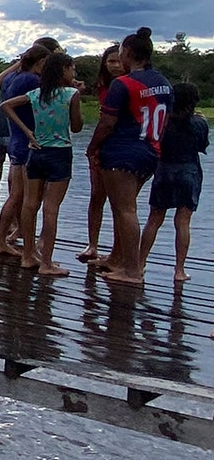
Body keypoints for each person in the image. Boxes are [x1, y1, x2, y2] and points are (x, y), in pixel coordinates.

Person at [86, 27, 173, 285]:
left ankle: (132, 270)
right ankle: (116, 258)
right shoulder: (165, 84)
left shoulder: (123, 84)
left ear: (130, 53)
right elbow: (165, 121)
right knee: (124, 209)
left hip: (123, 152)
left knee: (125, 210)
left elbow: (107, 123)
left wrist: (93, 148)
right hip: (150, 151)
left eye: (122, 52)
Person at [1, 52, 83, 275]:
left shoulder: (35, 94)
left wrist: (27, 131)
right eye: (72, 69)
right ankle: (46, 262)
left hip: (35, 153)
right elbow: (76, 127)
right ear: (64, 70)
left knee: (30, 204)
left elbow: (6, 105)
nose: (73, 73)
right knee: (51, 208)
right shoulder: (70, 94)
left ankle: (28, 256)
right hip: (59, 153)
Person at [139, 83, 207, 282]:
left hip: (164, 170)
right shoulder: (199, 123)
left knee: (154, 219)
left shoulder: (163, 122)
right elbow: (202, 146)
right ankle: (179, 270)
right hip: (189, 171)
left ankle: (140, 262)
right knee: (183, 222)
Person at [0, 45, 52, 257]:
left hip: (16, 140)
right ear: (41, 62)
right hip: (27, 142)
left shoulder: (12, 78)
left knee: (16, 195)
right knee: (27, 199)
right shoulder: (33, 81)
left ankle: (1, 239)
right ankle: (27, 247)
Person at [78, 44, 127, 264]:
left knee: (120, 202)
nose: (115, 66)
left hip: (120, 147)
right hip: (101, 147)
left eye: (119, 61)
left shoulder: (128, 85)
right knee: (97, 196)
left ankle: (118, 251)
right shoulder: (103, 86)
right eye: (111, 62)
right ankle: (92, 245)